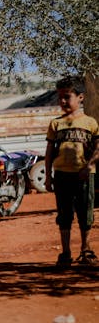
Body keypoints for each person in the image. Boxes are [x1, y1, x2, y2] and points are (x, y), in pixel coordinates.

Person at [45, 76, 99, 268]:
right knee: (64, 214)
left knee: (86, 213)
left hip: (84, 175)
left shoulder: (90, 123)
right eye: (60, 97)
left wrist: (89, 166)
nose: (62, 101)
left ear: (81, 97)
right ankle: (65, 253)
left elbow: (97, 148)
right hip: (61, 175)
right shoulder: (55, 124)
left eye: (67, 97)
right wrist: (48, 178)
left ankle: (86, 249)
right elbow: (50, 151)